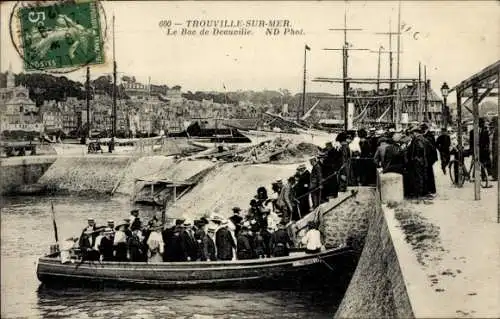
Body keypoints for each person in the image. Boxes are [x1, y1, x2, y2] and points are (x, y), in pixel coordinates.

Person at [405, 126, 429, 198]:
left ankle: (419, 194)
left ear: (415, 132)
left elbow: (420, 148)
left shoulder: (418, 139)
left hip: (418, 161)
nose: (412, 135)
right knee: (422, 176)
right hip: (423, 160)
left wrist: (416, 157)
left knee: (418, 177)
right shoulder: (424, 139)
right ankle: (422, 192)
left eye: (412, 133)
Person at [421, 123, 438, 196]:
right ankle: (431, 189)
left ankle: (431, 189)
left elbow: (430, 148)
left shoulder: (428, 137)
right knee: (429, 173)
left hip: (429, 158)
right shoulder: (428, 135)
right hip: (430, 158)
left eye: (423, 129)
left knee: (429, 173)